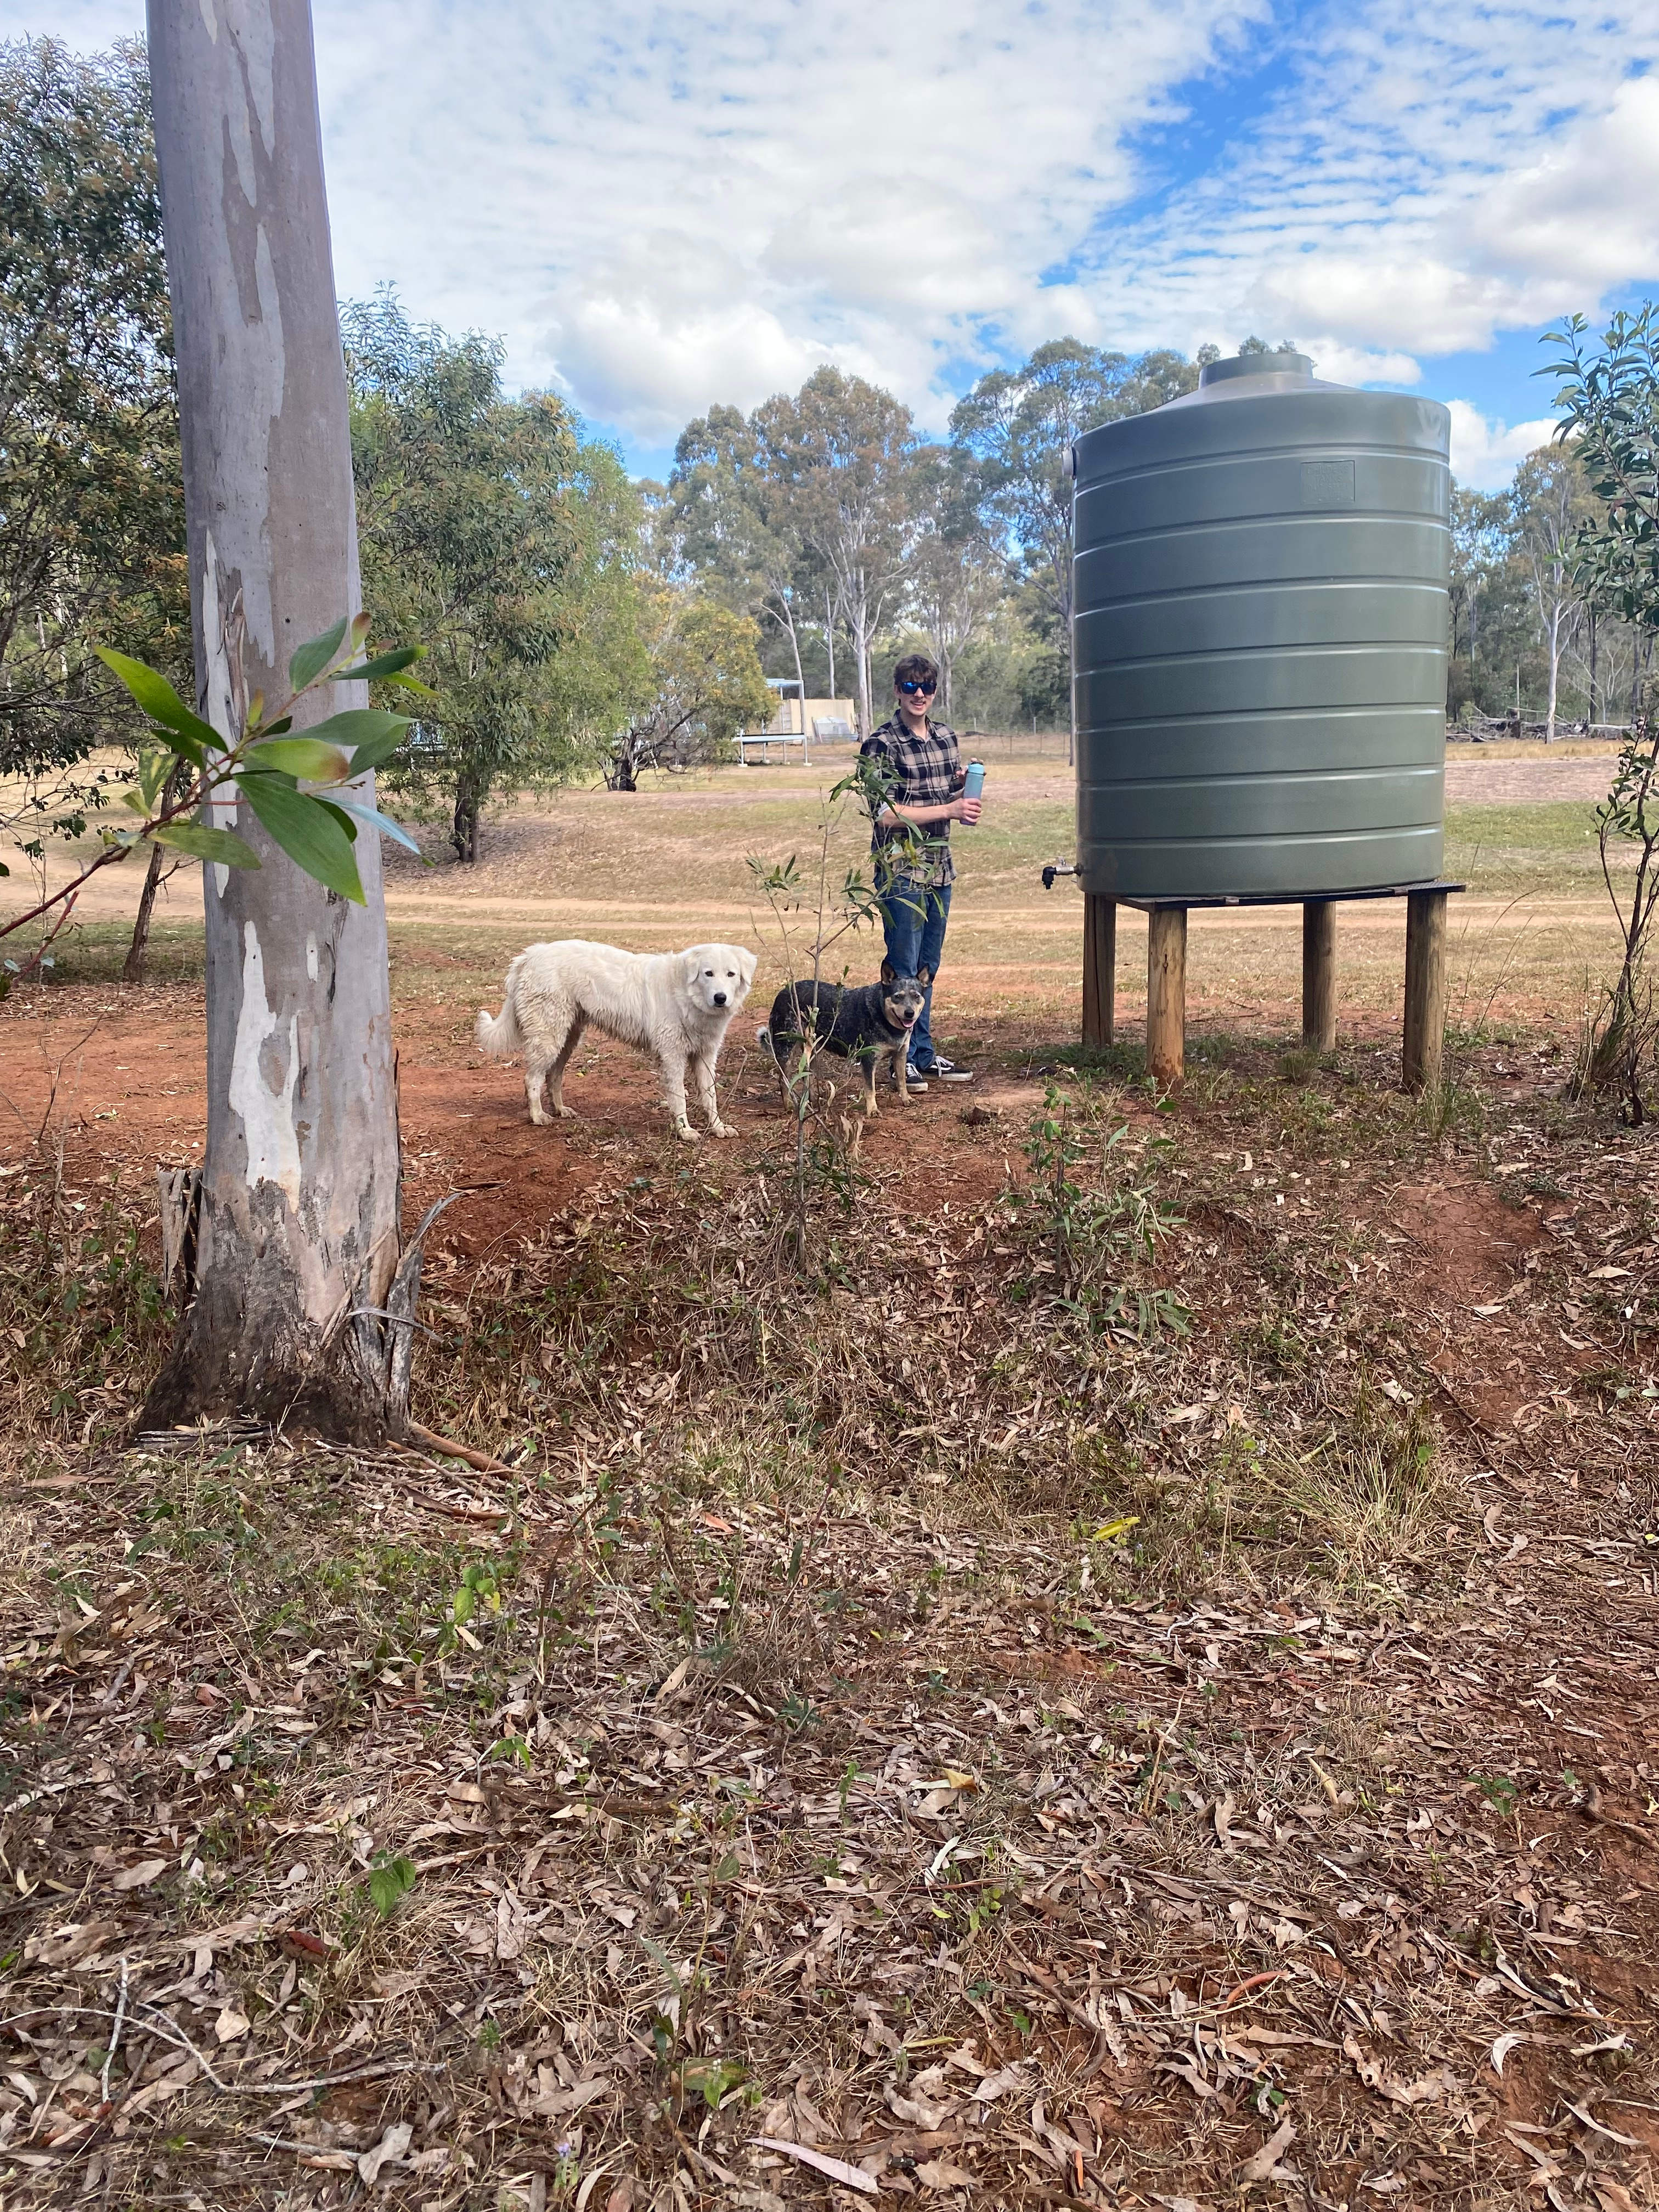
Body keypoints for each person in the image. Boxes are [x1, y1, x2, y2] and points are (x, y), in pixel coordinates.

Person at [860, 652, 980, 1087]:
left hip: (940, 869)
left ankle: (923, 1054)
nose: (920, 695)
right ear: (897, 690)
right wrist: (948, 806)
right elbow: (884, 812)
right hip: (900, 871)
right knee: (903, 967)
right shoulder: (881, 743)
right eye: (911, 687)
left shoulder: (946, 738)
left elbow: (943, 792)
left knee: (927, 968)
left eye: (927, 687)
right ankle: (897, 1057)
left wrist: (963, 787)